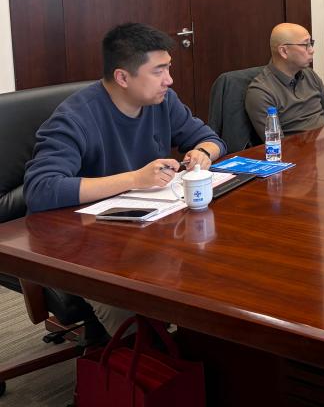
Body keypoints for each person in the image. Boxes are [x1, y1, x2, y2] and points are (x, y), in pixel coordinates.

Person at [23, 23, 226, 334]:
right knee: (131, 315)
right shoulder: (75, 117)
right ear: (122, 77)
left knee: (213, 275)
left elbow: (211, 139)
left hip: (145, 232)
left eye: (168, 68)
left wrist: (202, 153)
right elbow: (40, 189)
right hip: (87, 248)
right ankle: (142, 358)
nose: (169, 80)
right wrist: (135, 178)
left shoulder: (163, 101)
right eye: (158, 71)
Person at [245, 23, 324, 135]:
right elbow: (276, 142)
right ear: (284, 51)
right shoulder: (261, 92)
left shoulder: (310, 75)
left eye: (311, 43)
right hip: (300, 145)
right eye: (306, 45)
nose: (312, 50)